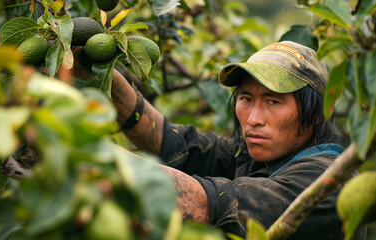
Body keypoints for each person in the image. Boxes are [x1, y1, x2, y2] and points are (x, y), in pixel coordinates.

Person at [73, 41, 366, 239]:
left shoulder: (327, 183)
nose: (253, 118)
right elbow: (165, 138)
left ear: (317, 115)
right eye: (246, 98)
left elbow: (201, 204)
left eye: (273, 102)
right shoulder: (257, 155)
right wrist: (101, 74)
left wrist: (74, 146)